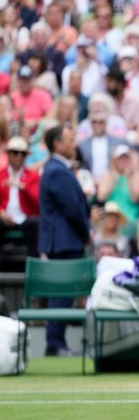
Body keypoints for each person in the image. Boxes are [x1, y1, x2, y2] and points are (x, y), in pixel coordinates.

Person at [38, 124, 91, 356]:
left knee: (64, 294)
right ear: (57, 144)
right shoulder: (58, 170)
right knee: (63, 294)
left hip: (62, 241)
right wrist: (86, 233)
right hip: (65, 241)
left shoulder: (55, 168)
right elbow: (72, 209)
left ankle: (56, 342)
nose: (74, 144)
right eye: (69, 140)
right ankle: (55, 343)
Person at [0, 136, 39, 256]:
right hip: (5, 218)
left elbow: (37, 201)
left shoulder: (33, 176)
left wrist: (23, 188)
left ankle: (33, 265)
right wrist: (1, 212)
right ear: (9, 154)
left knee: (36, 223)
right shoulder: (1, 175)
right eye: (15, 153)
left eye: (22, 153)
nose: (19, 156)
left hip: (24, 218)